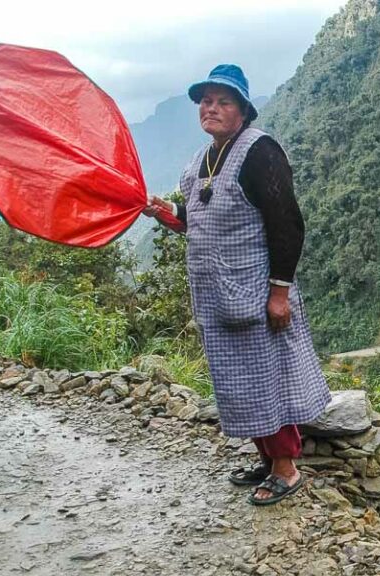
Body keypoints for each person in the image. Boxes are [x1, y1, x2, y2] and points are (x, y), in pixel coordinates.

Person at [144, 64, 331, 505]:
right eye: (206, 101)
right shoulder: (201, 160)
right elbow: (195, 220)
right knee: (238, 384)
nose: (211, 108)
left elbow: (287, 225)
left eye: (223, 101)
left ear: (243, 110)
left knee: (267, 381)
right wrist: (164, 212)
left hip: (255, 296)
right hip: (217, 301)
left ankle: (286, 470)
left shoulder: (260, 152)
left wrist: (279, 292)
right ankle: (267, 462)